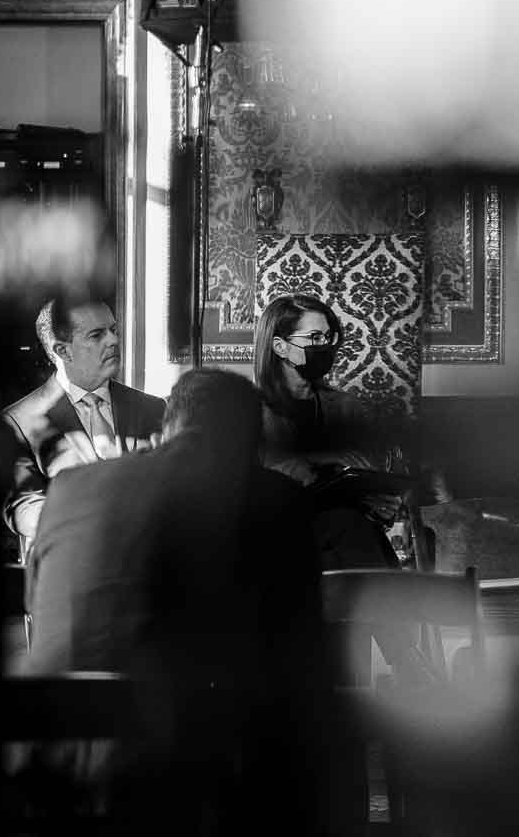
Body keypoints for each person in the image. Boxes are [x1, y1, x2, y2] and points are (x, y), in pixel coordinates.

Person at [22, 367, 332, 832]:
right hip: (181, 772)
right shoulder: (277, 500)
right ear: (252, 444)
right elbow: (299, 640)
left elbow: (34, 603)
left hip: (46, 758)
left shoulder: (69, 489)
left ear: (166, 426)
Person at [253, 292, 412, 570]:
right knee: (345, 528)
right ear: (280, 347)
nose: (324, 346)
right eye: (314, 338)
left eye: (328, 338)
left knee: (350, 526)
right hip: (277, 538)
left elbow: (364, 476)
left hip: (345, 534)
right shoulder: (248, 410)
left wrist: (378, 503)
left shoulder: (346, 407)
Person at [2, 297, 165, 556]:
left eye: (114, 330)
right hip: (71, 573)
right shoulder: (20, 421)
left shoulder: (153, 409)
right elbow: (23, 505)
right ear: (63, 351)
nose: (113, 341)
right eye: (97, 335)